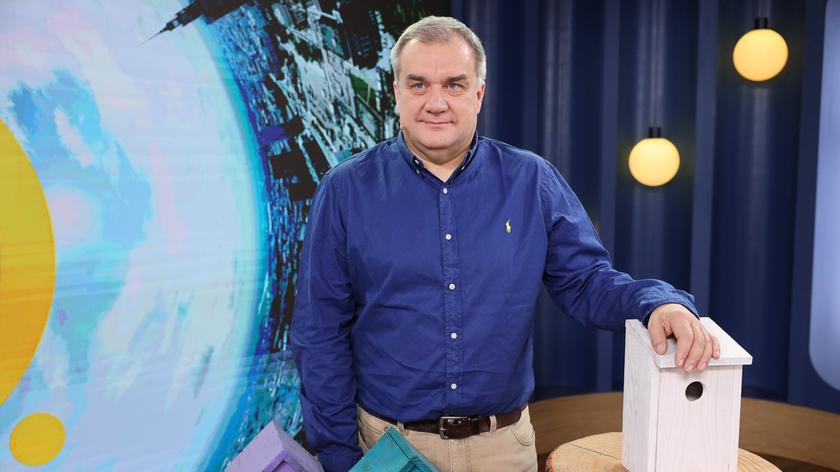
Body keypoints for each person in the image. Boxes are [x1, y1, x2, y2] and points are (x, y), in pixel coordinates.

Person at [291, 16, 720, 472]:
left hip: (502, 449)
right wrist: (340, 456)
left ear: (479, 94)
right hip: (386, 448)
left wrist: (658, 303)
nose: (436, 102)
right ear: (396, 93)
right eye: (418, 85)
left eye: (454, 85)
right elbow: (320, 332)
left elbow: (587, 282)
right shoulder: (345, 190)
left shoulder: (531, 179)